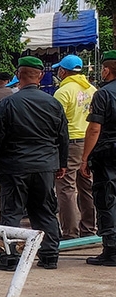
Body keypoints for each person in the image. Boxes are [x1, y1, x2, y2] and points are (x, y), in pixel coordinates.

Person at [0, 56, 70, 270]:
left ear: (18, 76)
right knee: (45, 211)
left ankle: (10, 258)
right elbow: (62, 136)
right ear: (40, 76)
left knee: (11, 212)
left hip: (14, 166)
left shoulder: (7, 104)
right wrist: (62, 163)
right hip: (45, 166)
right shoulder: (53, 104)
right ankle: (49, 256)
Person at [52, 54, 98, 239]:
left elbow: (55, 121)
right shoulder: (93, 90)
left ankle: (70, 231)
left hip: (70, 143)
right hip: (90, 142)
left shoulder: (63, 92)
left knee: (65, 187)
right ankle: (89, 229)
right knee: (87, 186)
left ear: (63, 71)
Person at [81, 51, 116, 266]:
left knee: (107, 199)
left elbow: (94, 128)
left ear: (106, 69)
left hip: (108, 152)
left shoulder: (103, 94)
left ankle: (111, 250)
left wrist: (85, 158)